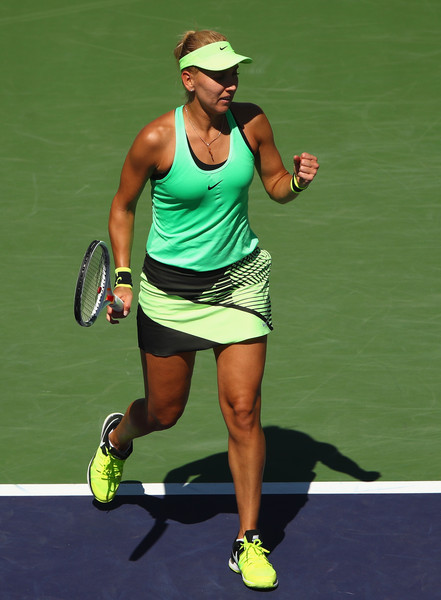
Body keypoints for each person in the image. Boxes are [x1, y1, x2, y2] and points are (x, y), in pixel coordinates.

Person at [87, 29, 319, 590]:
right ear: (189, 80)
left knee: (243, 411)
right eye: (218, 74)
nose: (230, 82)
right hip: (170, 295)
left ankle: (248, 540)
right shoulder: (156, 139)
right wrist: (121, 280)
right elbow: (122, 209)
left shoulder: (253, 122)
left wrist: (296, 182)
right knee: (164, 413)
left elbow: (274, 186)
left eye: (234, 72)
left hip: (239, 285)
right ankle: (117, 440)